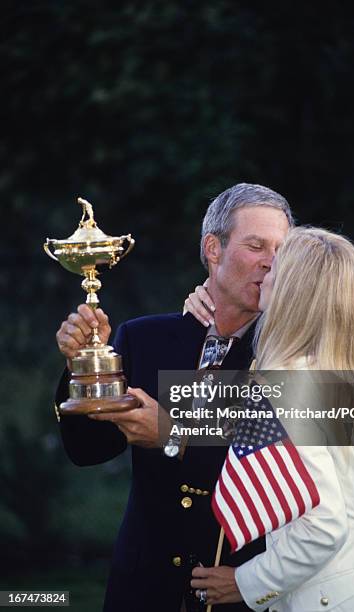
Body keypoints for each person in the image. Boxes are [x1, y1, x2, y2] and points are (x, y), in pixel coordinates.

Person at [54, 183, 293, 612]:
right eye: (256, 245)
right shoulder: (143, 337)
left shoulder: (290, 355)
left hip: (239, 588)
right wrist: (81, 365)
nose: (271, 261)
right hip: (144, 587)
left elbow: (281, 467)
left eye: (281, 249)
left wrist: (171, 432)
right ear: (213, 249)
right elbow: (87, 450)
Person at [185, 227, 354, 611]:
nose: (266, 272)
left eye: (275, 271)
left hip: (326, 596)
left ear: (291, 292)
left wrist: (247, 582)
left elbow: (322, 530)